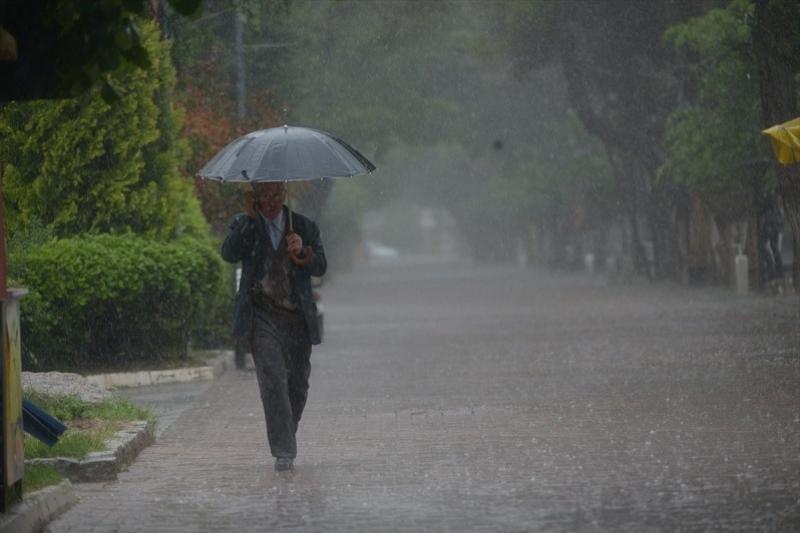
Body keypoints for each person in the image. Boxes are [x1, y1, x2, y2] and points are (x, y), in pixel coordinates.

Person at [221, 182, 326, 472]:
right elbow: (229, 253)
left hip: (297, 319)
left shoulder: (303, 226)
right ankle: (284, 452)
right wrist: (248, 220)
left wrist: (303, 252)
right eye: (265, 195)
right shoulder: (245, 224)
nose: (271, 201)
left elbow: (321, 266)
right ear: (254, 197)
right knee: (273, 380)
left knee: (297, 385)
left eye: (277, 194)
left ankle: (285, 433)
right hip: (262, 317)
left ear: (284, 194)